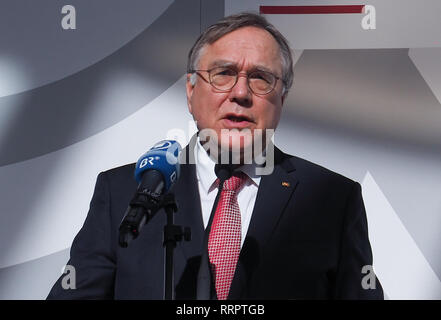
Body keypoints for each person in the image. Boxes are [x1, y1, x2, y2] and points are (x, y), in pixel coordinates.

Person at [47, 12, 383, 300]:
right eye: (223, 73)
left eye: (260, 78)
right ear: (191, 91)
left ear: (282, 98)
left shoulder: (333, 200)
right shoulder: (123, 192)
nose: (240, 93)